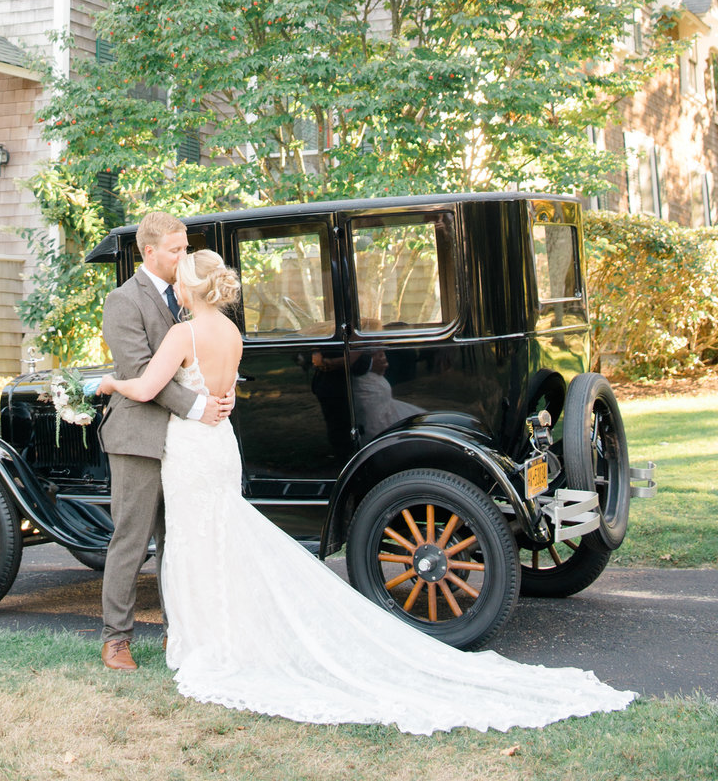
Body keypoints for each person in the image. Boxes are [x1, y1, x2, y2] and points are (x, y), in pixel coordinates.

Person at [96, 248, 634, 734]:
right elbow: (225, 391)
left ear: (187, 289)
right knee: (217, 535)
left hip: (192, 446)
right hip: (220, 444)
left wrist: (107, 384)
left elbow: (145, 386)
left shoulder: (183, 333)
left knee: (193, 540)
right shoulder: (233, 334)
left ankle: (202, 638)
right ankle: (211, 632)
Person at [97, 212, 234, 672]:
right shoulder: (122, 301)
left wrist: (223, 393)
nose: (184, 256)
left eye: (186, 247)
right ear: (149, 251)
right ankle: (116, 640)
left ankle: (181, 633)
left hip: (186, 445)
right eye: (176, 249)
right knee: (131, 542)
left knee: (178, 542)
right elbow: (138, 373)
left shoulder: (190, 295)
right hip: (138, 437)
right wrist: (199, 407)